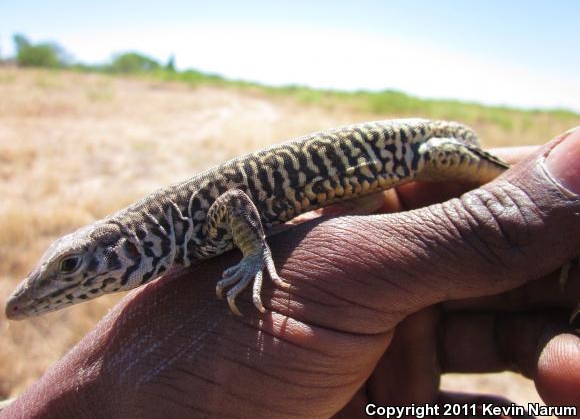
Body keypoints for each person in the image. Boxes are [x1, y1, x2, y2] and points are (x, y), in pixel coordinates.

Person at [3, 130, 580, 418]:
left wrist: (256, 256)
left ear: (121, 245)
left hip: (413, 146)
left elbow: (233, 205)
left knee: (484, 173)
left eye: (72, 267)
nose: (56, 286)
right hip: (379, 176)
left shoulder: (179, 232)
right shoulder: (168, 238)